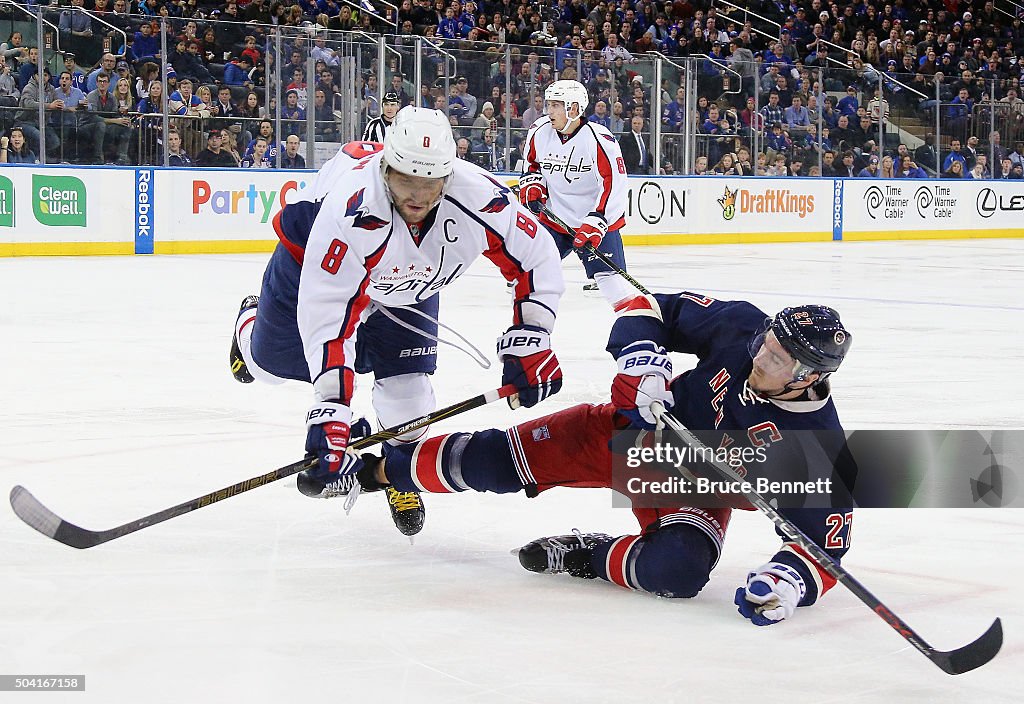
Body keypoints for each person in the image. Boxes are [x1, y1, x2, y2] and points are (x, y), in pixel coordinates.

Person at [344, 291, 854, 625]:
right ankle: (374, 469)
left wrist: (788, 580)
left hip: (691, 489)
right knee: (497, 465)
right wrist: (644, 363)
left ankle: (586, 555)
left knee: (676, 573)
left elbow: (825, 540)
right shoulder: (744, 330)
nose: (759, 356)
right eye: (766, 344)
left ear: (808, 377)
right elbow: (648, 308)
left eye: (777, 359)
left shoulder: (811, 445)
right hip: (630, 434)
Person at [228, 107, 565, 537]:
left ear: (448, 175)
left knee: (410, 402)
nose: (418, 196)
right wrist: (332, 409)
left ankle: (396, 472)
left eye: (431, 182)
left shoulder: (480, 195)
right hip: (310, 263)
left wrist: (533, 335)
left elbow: (536, 256)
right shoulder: (348, 210)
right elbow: (331, 315)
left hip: (410, 284)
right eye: (406, 178)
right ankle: (248, 322)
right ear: (385, 167)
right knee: (268, 366)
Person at [519, 80, 632, 306]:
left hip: (595, 223)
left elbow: (614, 183)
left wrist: (599, 219)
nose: (549, 111)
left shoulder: (598, 138)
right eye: (548, 105)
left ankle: (637, 326)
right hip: (554, 220)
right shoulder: (539, 131)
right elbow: (532, 165)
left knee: (613, 286)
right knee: (526, 273)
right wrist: (533, 185)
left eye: (555, 106)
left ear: (573, 108)